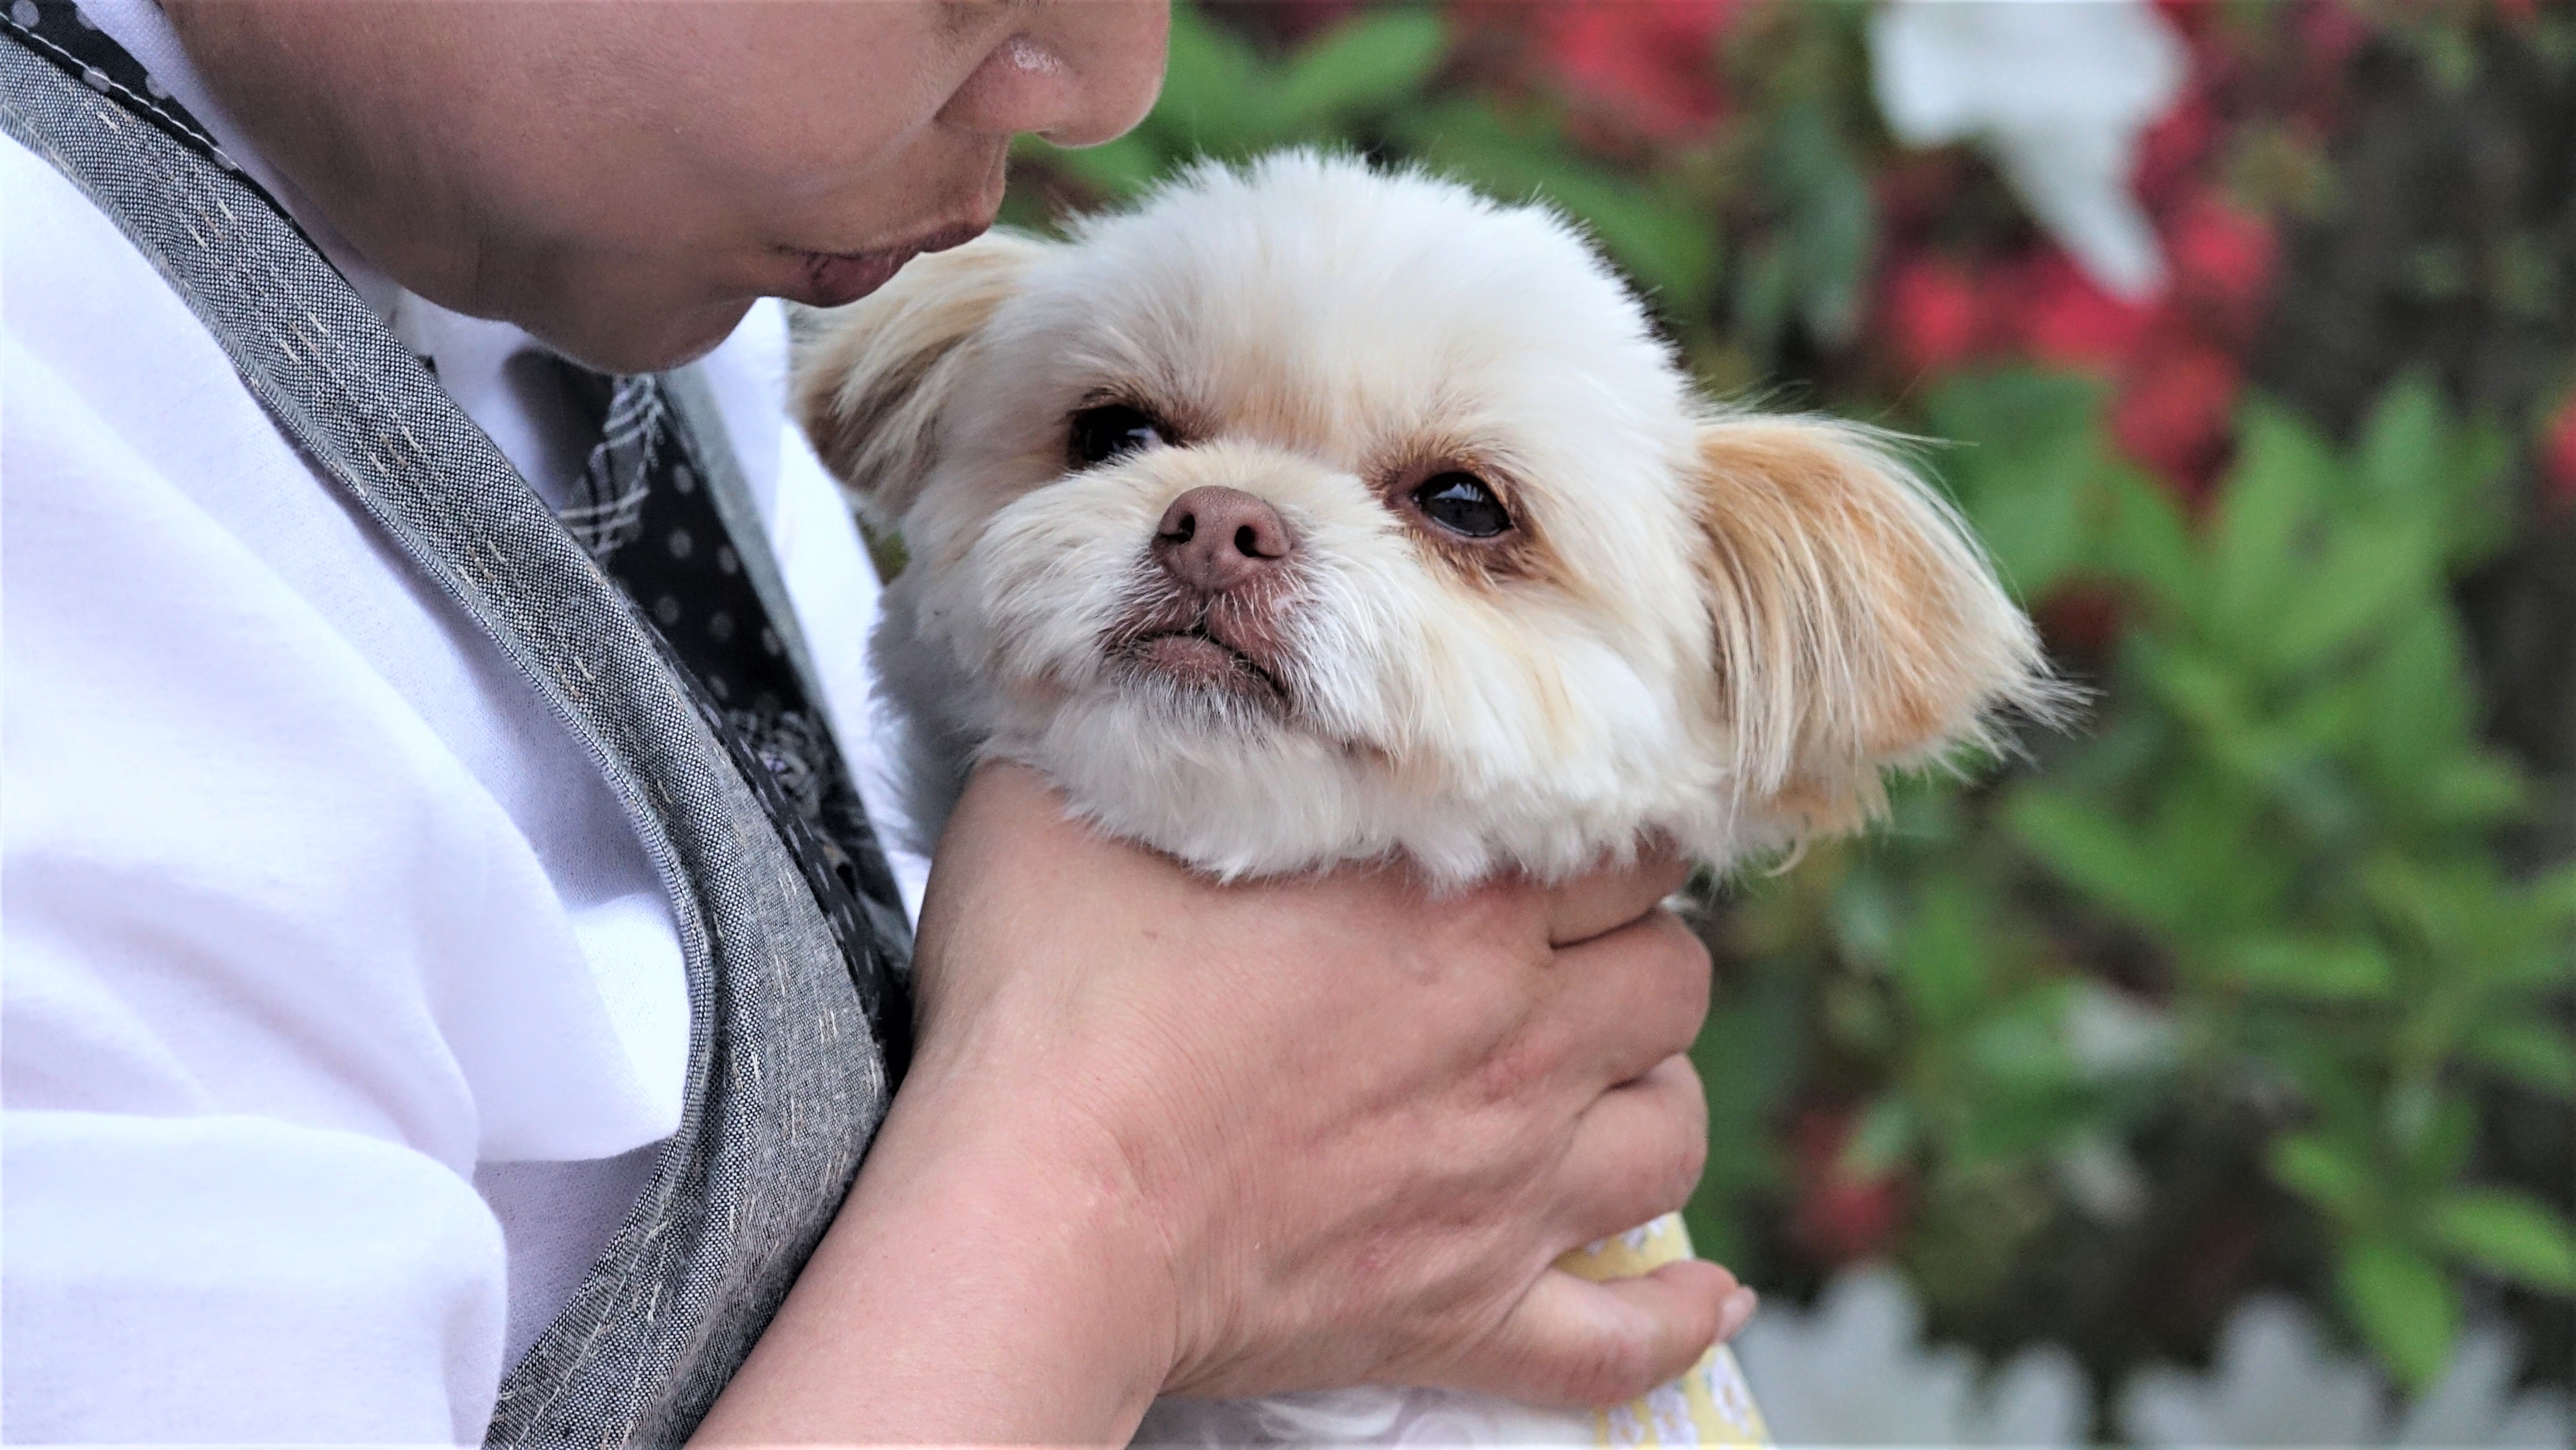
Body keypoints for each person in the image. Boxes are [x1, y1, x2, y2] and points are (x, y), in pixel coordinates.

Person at [0, 1, 1748, 1442]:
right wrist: (1113, 1204)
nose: (1103, 81)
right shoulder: (56, 422)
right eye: (1120, 437)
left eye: (1457, 507)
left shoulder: (658, 283)